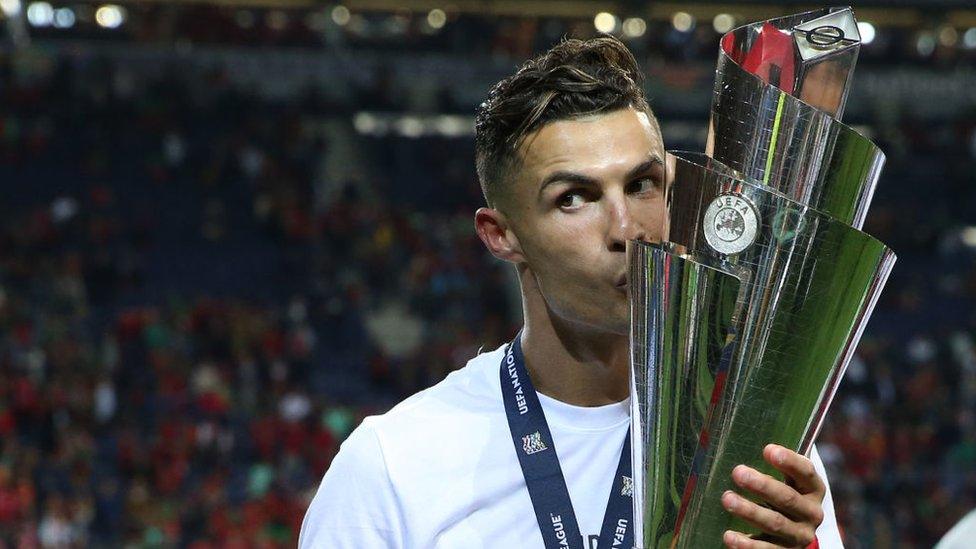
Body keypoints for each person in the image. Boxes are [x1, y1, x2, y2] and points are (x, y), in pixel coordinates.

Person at [299, 36, 842, 549]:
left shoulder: (754, 443)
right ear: (502, 235)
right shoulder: (393, 466)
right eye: (574, 198)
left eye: (641, 184)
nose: (626, 229)